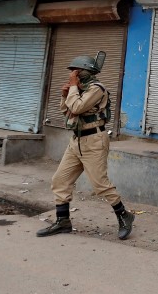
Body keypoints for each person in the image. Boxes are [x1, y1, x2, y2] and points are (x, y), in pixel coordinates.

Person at [37, 53, 135, 240]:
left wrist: (73, 88)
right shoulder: (79, 88)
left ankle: (124, 216)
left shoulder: (97, 88)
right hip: (76, 140)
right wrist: (65, 94)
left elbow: (77, 108)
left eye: (76, 71)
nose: (72, 74)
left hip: (94, 140)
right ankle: (63, 221)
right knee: (60, 180)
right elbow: (67, 110)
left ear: (86, 71)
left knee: (100, 185)